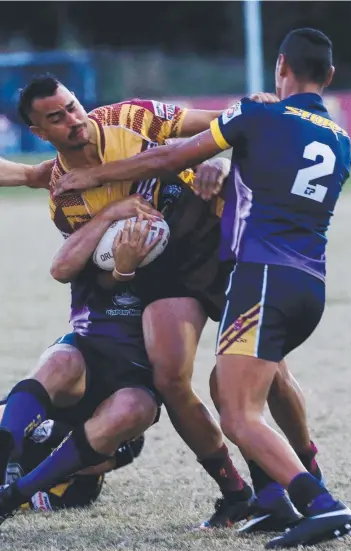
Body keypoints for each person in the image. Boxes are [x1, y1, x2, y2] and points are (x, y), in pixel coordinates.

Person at [54, 28, 351, 547]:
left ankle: (320, 503)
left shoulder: (258, 115)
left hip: (261, 278)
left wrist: (93, 177)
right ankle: (270, 496)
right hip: (310, 283)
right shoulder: (341, 139)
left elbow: (170, 157)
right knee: (229, 384)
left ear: (280, 65)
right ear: (328, 77)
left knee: (239, 413)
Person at [0, 77, 324, 530]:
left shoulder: (128, 117)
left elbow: (223, 123)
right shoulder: (66, 197)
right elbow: (94, 264)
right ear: (39, 132)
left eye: (73, 106)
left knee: (269, 373)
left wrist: (223, 161)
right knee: (170, 379)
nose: (74, 120)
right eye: (57, 117)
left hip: (221, 239)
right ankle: (241, 495)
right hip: (168, 271)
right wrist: (125, 267)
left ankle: (309, 473)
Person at [0, 199, 163, 524]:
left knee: (132, 414)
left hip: (135, 382)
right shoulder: (88, 200)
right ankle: (7, 449)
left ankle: (11, 496)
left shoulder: (177, 214)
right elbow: (61, 269)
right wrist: (111, 217)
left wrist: (220, 167)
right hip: (84, 357)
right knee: (61, 363)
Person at [0, 401, 145, 512]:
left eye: (108, 460)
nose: (97, 455)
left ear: (110, 468)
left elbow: (18, 501)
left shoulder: (81, 491)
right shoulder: (62, 425)